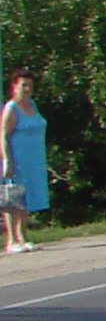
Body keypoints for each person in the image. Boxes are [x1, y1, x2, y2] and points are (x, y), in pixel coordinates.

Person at [0, 72, 41, 252]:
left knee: (26, 198)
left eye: (29, 86)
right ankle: (11, 240)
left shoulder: (32, 105)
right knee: (13, 198)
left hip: (32, 158)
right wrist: (7, 160)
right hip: (16, 158)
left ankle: (23, 237)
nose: (27, 89)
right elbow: (3, 134)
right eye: (23, 85)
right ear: (14, 87)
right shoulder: (11, 107)